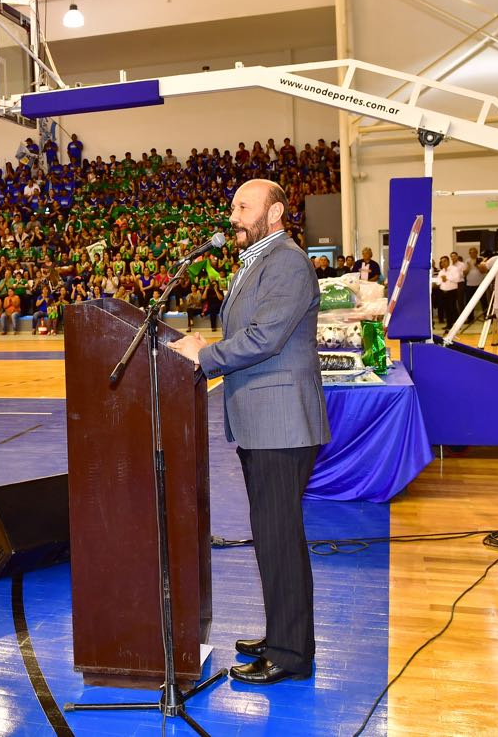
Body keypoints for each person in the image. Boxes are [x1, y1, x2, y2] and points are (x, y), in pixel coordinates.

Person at [169, 178, 329, 686]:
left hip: (281, 422)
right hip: (264, 421)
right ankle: (285, 632)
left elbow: (265, 337)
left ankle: (290, 653)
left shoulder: (285, 261)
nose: (233, 215)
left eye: (244, 206)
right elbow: (249, 332)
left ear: (275, 212)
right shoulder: (258, 261)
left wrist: (205, 357)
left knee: (279, 537)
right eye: (233, 205)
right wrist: (207, 343)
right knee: (271, 535)